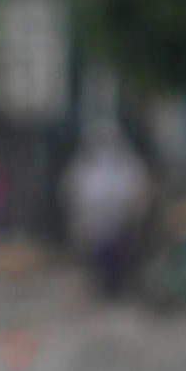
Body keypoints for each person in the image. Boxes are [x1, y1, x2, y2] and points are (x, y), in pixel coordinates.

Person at [66, 122, 151, 300]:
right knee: (97, 259)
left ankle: (114, 290)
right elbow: (73, 193)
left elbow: (138, 191)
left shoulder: (128, 166)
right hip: (94, 224)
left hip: (120, 223)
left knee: (117, 260)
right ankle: (101, 289)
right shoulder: (84, 167)